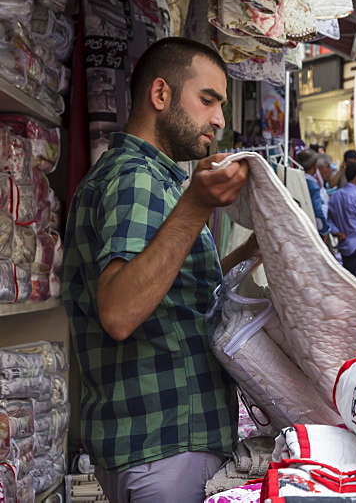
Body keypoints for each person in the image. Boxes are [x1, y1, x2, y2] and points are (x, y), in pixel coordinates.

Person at [62, 38, 258, 500]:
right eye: (208, 100)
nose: (219, 120)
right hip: (162, 442)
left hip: (158, 442)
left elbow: (178, 290)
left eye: (221, 105)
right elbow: (119, 311)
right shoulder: (138, 177)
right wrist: (196, 204)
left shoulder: (144, 177)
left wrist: (252, 251)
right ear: (161, 95)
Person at [296, 148, 332, 238]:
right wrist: (324, 230)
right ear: (315, 166)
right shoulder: (312, 186)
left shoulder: (295, 180)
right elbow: (318, 212)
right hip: (312, 229)